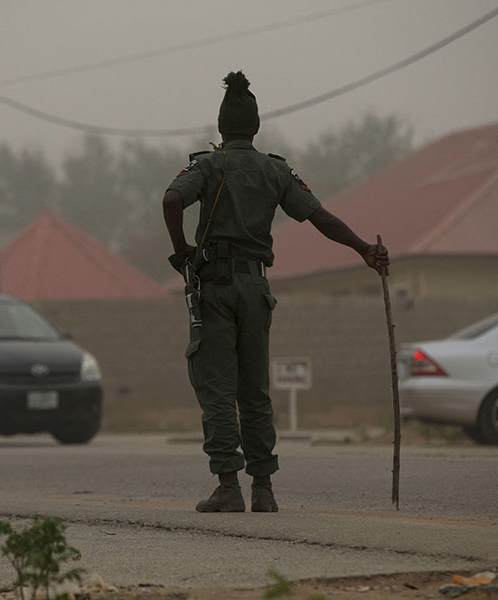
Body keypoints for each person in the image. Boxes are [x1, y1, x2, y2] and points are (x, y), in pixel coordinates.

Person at [162, 71, 389, 513]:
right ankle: (263, 489)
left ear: (222, 128)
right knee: (255, 389)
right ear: (256, 127)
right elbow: (321, 218)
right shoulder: (276, 170)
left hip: (215, 287)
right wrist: (363, 248)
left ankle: (228, 486)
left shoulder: (208, 165)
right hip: (256, 287)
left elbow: (172, 200)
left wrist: (182, 250)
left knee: (218, 388)